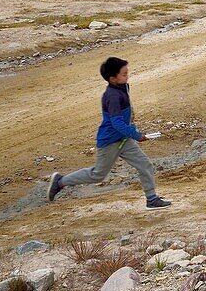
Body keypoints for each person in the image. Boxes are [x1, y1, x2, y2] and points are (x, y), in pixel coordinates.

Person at [47, 57, 171, 209]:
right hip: (110, 141)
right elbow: (116, 122)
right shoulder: (112, 95)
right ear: (112, 79)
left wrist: (131, 119)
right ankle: (60, 181)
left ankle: (151, 199)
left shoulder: (123, 87)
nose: (127, 76)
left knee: (144, 164)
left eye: (127, 73)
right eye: (124, 74)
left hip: (124, 139)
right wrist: (137, 135)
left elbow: (125, 112)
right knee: (97, 174)